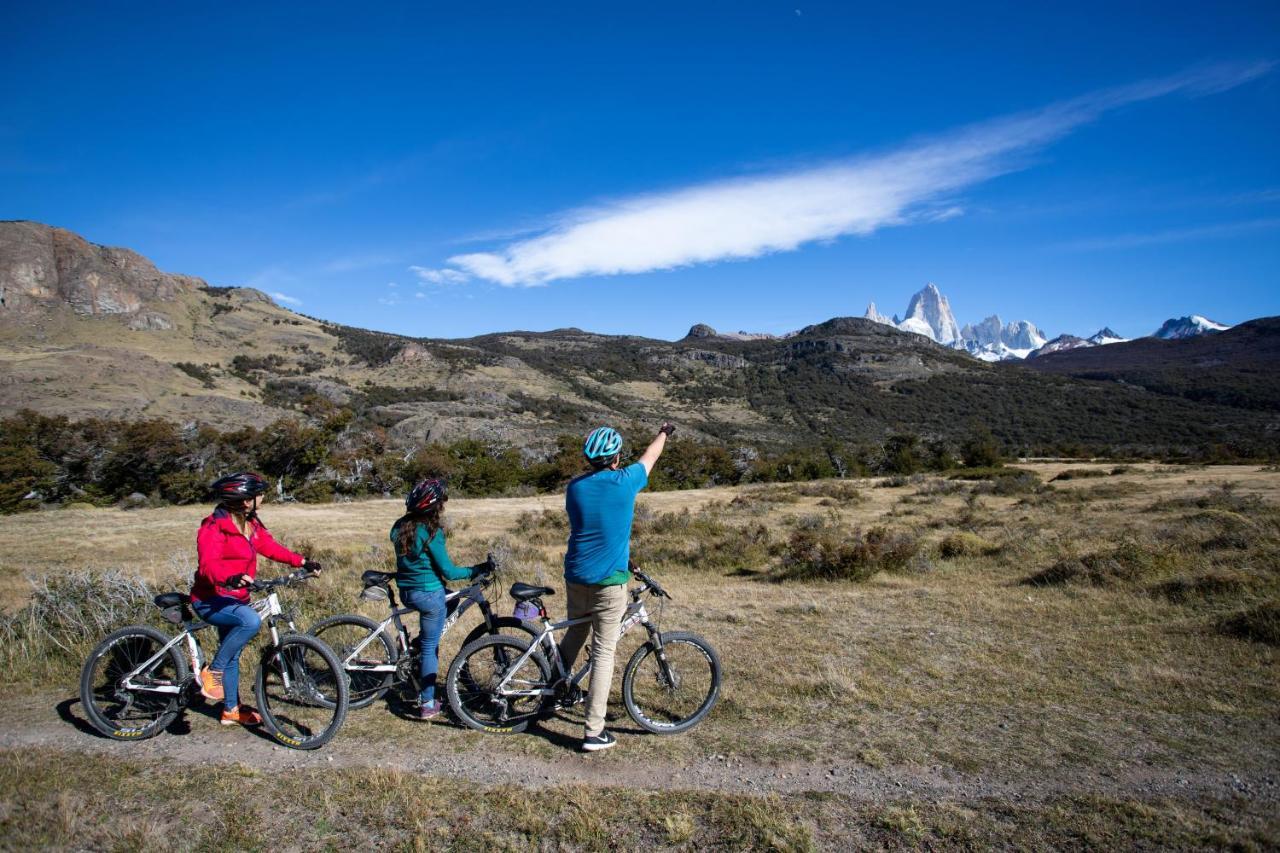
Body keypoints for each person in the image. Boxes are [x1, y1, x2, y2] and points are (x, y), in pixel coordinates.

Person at [560, 422, 674, 751]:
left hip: (576, 576)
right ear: (616, 457)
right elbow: (651, 455)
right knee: (603, 652)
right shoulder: (626, 482)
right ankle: (594, 731)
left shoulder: (575, 487)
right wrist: (664, 431)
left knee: (576, 632)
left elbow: (593, 528)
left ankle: (557, 683)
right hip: (608, 583)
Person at [192, 472, 318, 727]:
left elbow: (270, 548)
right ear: (246, 499)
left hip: (235, 598)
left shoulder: (250, 523)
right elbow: (208, 565)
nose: (263, 497)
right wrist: (229, 577)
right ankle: (213, 673)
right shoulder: (213, 526)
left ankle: (230, 710)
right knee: (249, 621)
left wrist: (302, 561)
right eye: (259, 494)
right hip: (211, 599)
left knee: (233, 654)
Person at [391, 477, 487, 719]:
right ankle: (427, 703)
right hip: (429, 595)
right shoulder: (431, 531)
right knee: (431, 649)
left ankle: (416, 646)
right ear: (435, 506)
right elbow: (449, 572)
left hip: (407, 592)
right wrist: (476, 569)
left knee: (451, 598)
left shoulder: (399, 527)